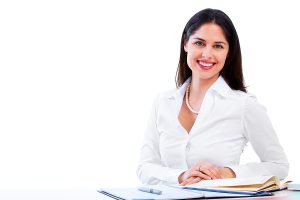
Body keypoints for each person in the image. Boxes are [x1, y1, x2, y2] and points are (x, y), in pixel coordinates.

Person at [136, 8, 289, 186]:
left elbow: (279, 165)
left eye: (218, 46)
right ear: (186, 43)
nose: (207, 54)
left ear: (228, 52)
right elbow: (145, 167)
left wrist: (228, 172)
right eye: (199, 43)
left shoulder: (243, 105)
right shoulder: (163, 102)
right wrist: (180, 176)